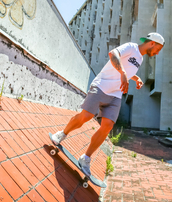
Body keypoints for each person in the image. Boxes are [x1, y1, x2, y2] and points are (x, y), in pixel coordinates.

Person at [51, 32, 165, 176]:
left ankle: (85, 158)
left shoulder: (140, 59)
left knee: (107, 126)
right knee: (85, 116)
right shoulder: (131, 47)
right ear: (152, 43)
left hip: (115, 95)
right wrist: (122, 72)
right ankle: (62, 133)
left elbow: (128, 71)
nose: (157, 52)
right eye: (158, 49)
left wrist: (136, 78)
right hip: (101, 86)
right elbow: (113, 54)